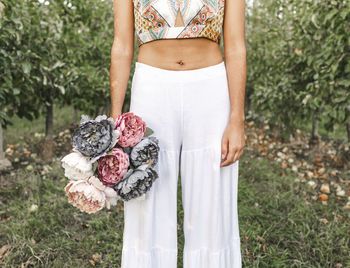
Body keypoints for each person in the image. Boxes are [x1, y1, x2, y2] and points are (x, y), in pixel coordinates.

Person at [109, 0, 246, 267]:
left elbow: (236, 46)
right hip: (151, 87)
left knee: (213, 195)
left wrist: (237, 119)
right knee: (146, 192)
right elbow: (122, 45)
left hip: (211, 88)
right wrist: (116, 115)